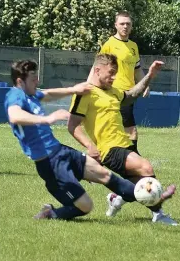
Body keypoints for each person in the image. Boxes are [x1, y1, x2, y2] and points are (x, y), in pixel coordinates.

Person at [4, 59, 143, 221]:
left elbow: (48, 94)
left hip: (61, 151)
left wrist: (73, 89)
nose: (37, 81)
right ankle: (50, 213)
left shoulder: (31, 94)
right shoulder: (15, 95)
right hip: (49, 164)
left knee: (104, 174)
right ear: (20, 81)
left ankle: (150, 196)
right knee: (85, 206)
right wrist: (47, 119)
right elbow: (14, 115)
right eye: (33, 78)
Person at [68, 53, 177, 225]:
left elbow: (133, 93)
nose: (113, 77)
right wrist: (90, 146)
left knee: (135, 187)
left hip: (125, 144)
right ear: (97, 70)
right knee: (145, 167)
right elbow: (72, 125)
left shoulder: (113, 92)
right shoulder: (85, 92)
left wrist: (149, 75)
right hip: (109, 150)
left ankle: (116, 199)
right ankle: (159, 213)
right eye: (110, 73)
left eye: (115, 73)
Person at [94, 10, 149, 153]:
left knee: (117, 128)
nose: (125, 26)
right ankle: (133, 157)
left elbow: (137, 69)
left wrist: (145, 84)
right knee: (131, 130)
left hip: (130, 93)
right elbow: (98, 68)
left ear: (131, 26)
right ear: (116, 26)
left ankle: (104, 154)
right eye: (122, 23)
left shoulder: (133, 46)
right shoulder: (109, 45)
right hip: (115, 92)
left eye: (128, 24)